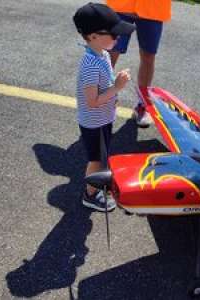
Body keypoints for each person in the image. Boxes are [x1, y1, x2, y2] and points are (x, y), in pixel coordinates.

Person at [73, 3, 135, 211]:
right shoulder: (90, 64)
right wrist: (116, 88)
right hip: (94, 121)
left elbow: (104, 87)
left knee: (102, 155)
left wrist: (112, 90)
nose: (118, 38)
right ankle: (90, 194)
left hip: (104, 118)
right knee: (96, 160)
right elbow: (92, 101)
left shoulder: (104, 55)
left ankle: (98, 185)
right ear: (92, 37)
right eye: (113, 34)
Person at [106, 0, 172, 127]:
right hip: (120, 6)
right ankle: (103, 100)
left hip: (153, 9)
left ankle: (143, 104)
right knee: (109, 54)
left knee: (148, 56)